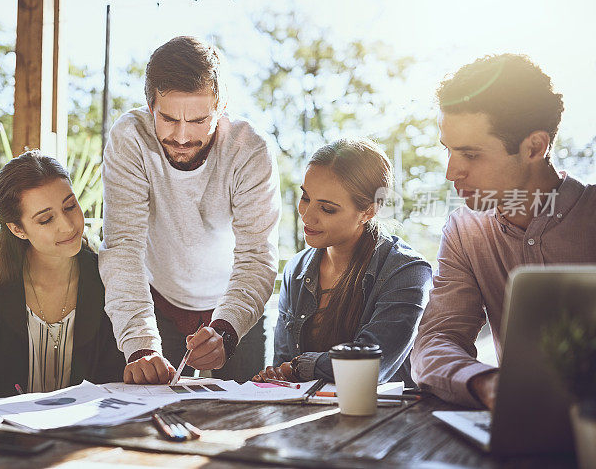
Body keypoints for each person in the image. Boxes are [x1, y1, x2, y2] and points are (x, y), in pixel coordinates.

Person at [411, 54, 596, 409]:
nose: (451, 172)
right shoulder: (465, 231)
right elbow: (436, 339)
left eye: (471, 154)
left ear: (534, 147)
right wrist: (484, 382)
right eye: (448, 150)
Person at [99, 36, 281, 384]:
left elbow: (257, 255)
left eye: (199, 120)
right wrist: (139, 345)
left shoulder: (250, 148)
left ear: (222, 105)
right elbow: (123, 248)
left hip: (236, 300)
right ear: (149, 105)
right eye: (168, 118)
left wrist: (226, 330)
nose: (182, 137)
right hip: (156, 302)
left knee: (244, 420)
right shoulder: (130, 138)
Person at [254, 139, 431, 385]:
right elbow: (283, 365)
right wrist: (277, 375)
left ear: (368, 211)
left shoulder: (406, 271)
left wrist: (300, 367)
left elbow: (370, 367)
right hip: (308, 415)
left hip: (386, 416)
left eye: (327, 209)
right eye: (305, 198)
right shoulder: (295, 270)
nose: (306, 216)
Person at [0, 151, 124, 401]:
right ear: (17, 229)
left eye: (70, 206)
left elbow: (115, 380)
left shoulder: (106, 276)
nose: (67, 225)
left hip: (88, 432)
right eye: (45, 219)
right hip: (7, 434)